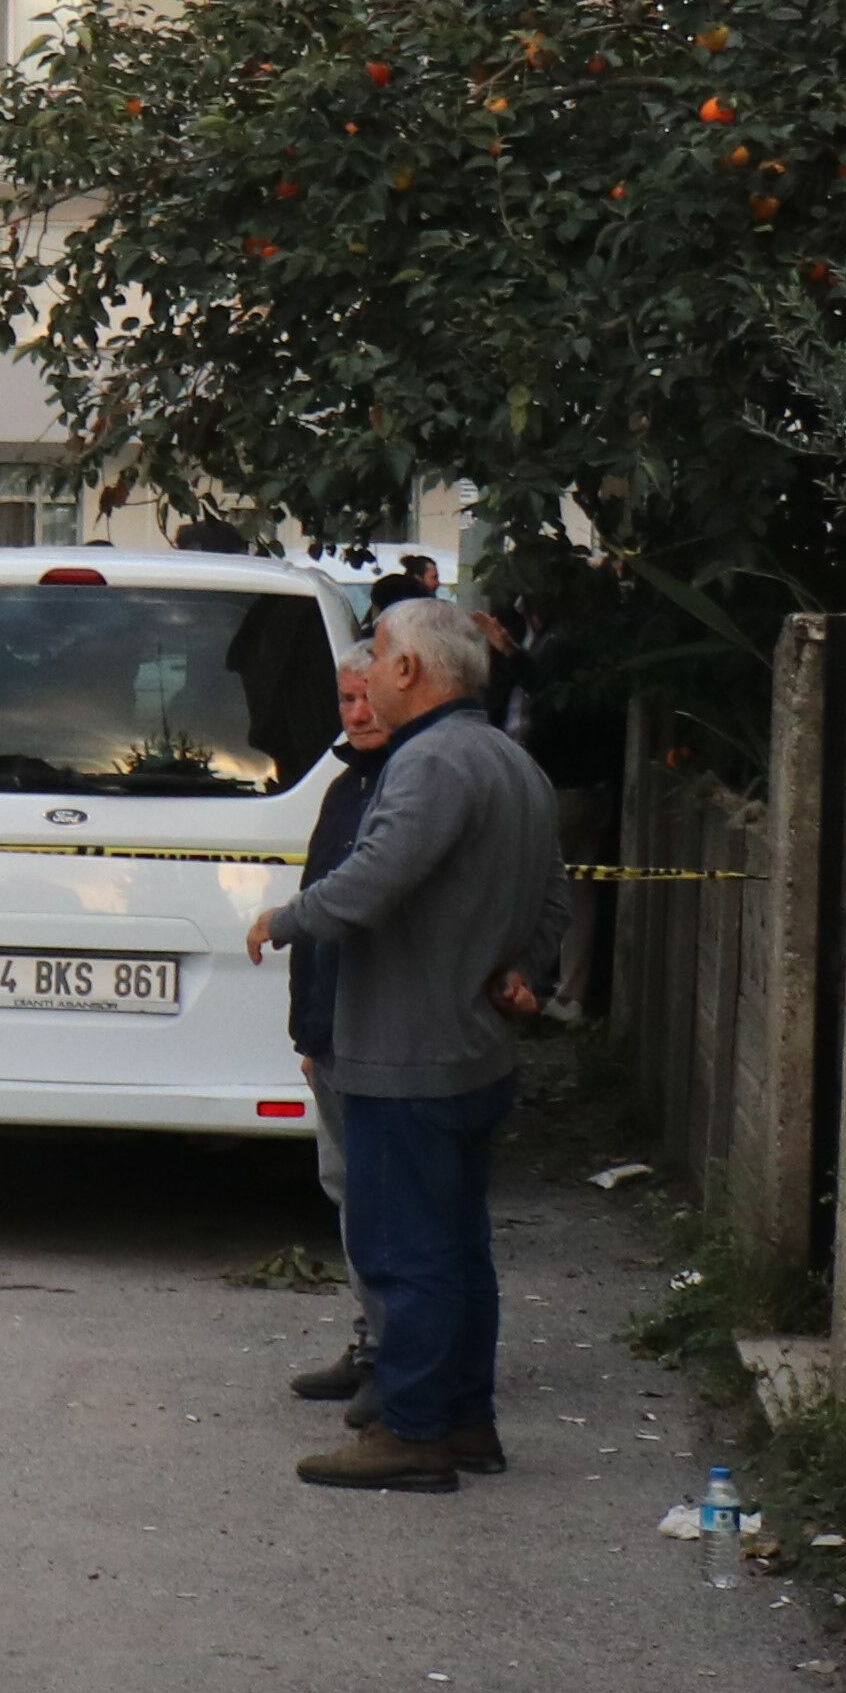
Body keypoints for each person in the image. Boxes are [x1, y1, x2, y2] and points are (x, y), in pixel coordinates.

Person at [240, 595, 570, 1492]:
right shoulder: (509, 759)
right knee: (458, 1249)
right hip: (473, 1049)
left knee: (404, 1253)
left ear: (409, 670)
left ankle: (414, 1432)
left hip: (407, 1052)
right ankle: (464, 1421)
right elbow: (554, 894)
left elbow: (373, 879)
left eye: (379, 654)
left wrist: (284, 919)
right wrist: (525, 970)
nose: (369, 672)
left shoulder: (429, 763)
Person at [282, 638, 397, 1413]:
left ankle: (399, 1360)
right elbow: (318, 913)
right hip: (333, 1035)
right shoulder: (345, 787)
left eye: (368, 698)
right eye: (345, 700)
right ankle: (372, 1342)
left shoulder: (408, 786)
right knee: (348, 1191)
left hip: (384, 1036)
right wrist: (310, 1035)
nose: (356, 714)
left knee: (385, 1203)